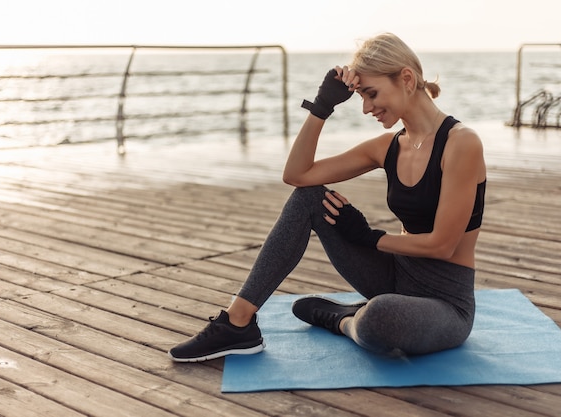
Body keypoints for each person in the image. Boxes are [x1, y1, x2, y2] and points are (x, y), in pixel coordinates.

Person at [169, 32, 486, 362]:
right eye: (361, 96)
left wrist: (369, 237)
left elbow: (442, 245)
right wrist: (321, 108)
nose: (365, 108)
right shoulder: (388, 147)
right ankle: (238, 323)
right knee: (309, 198)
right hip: (393, 276)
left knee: (381, 316)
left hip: (446, 303)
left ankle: (343, 321)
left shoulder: (461, 143)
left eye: (372, 93)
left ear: (406, 78)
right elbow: (297, 176)